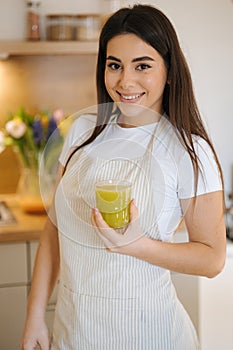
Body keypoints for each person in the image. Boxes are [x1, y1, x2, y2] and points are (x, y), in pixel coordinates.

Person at [21, 4, 226, 350]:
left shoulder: (188, 151)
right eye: (114, 65)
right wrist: (34, 317)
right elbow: (55, 230)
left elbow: (212, 258)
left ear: (170, 71)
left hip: (149, 334)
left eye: (142, 66)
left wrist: (138, 247)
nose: (125, 81)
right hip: (73, 333)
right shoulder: (83, 131)